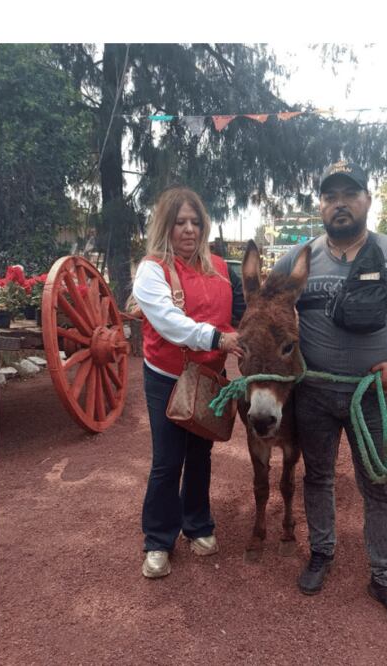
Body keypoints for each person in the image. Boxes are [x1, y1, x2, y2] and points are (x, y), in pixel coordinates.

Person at [272, 161, 387, 628]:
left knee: (380, 487)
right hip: (315, 393)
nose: (338, 203)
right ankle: (322, 553)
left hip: (372, 396)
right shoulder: (299, 259)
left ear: (368, 199)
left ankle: (386, 576)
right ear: (320, 206)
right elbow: (263, 307)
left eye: (349, 194)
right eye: (329, 196)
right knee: (318, 478)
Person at [131, 186, 244, 579]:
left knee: (200, 454)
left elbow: (243, 317)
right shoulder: (151, 269)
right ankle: (158, 539)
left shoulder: (221, 268)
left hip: (210, 376)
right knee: (167, 460)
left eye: (195, 222)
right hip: (167, 376)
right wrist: (219, 339)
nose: (189, 230)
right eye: (180, 222)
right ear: (166, 225)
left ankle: (197, 524)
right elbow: (169, 323)